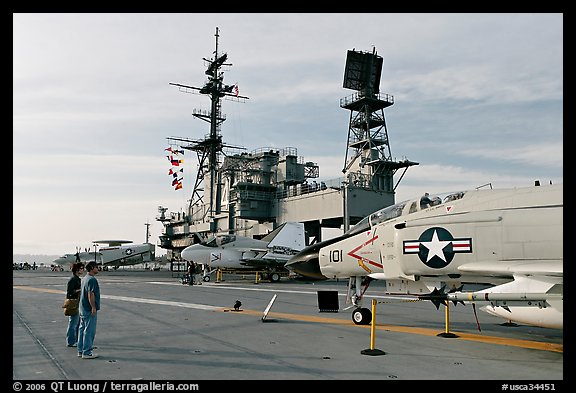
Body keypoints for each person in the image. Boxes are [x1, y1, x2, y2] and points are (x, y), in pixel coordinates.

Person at [77, 261, 101, 359]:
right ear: (92, 268)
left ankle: (81, 350)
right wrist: (93, 307)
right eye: (96, 267)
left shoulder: (84, 278)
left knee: (82, 329)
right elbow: (91, 294)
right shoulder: (92, 280)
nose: (98, 268)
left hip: (82, 307)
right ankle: (87, 352)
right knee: (89, 331)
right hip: (88, 308)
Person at [65, 262, 85, 347]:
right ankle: (71, 341)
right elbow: (69, 292)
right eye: (81, 268)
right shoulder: (73, 279)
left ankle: (75, 340)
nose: (83, 270)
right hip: (74, 303)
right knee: (73, 323)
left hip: (77, 302)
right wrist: (79, 290)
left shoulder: (77, 279)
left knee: (76, 323)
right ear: (77, 270)